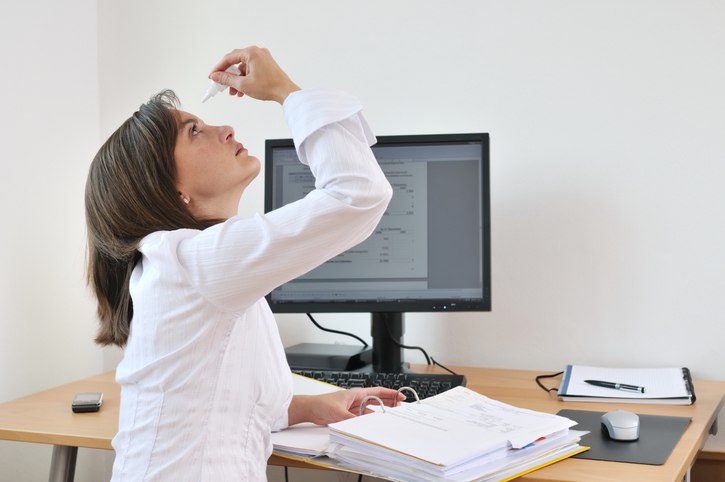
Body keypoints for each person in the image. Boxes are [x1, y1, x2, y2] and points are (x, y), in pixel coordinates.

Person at [85, 46, 398, 481]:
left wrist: (309, 407)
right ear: (172, 192)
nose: (226, 128)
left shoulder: (191, 268)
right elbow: (357, 194)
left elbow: (219, 395)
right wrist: (284, 91)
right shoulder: (193, 263)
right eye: (194, 131)